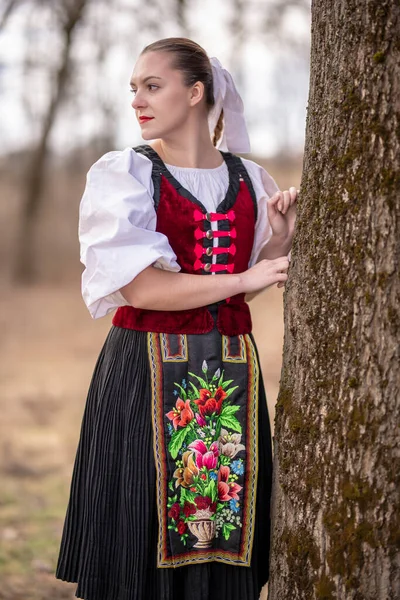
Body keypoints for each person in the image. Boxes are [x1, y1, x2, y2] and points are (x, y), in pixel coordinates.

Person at [55, 37, 297, 600]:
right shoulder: (126, 175)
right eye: (134, 89)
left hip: (229, 373)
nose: (137, 100)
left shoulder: (250, 181)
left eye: (152, 86)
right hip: (144, 374)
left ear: (195, 93)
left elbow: (229, 301)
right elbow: (142, 288)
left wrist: (273, 246)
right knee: (144, 526)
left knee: (222, 524)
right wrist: (244, 277)